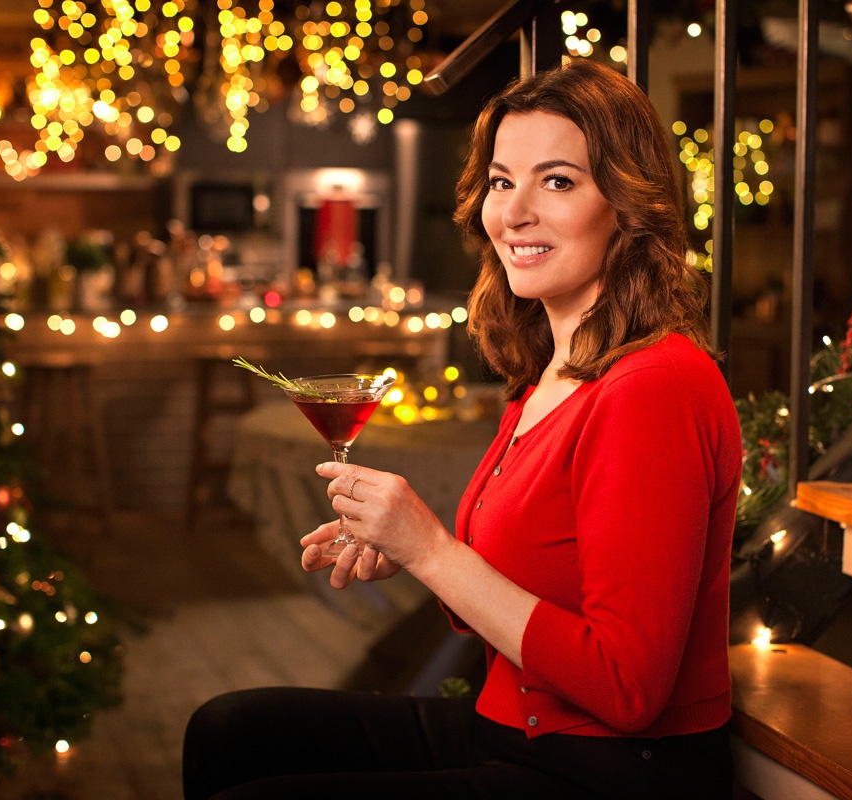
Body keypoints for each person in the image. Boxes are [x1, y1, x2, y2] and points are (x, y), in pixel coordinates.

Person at [183, 58, 742, 799]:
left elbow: (627, 688)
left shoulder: (654, 388)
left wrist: (432, 546)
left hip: (611, 770)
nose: (513, 213)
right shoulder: (545, 374)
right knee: (229, 731)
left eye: (559, 180)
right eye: (503, 181)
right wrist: (409, 551)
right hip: (511, 731)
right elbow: (517, 586)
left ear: (629, 204)